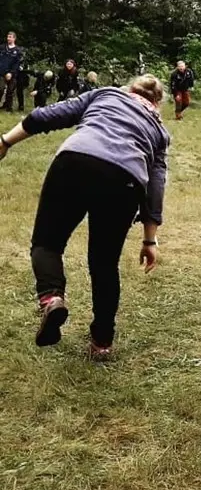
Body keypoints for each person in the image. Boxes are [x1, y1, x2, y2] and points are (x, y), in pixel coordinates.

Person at [0, 75, 169, 360]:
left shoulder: (107, 95)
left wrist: (5, 141)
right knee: (104, 264)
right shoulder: (159, 131)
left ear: (130, 89)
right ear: (157, 104)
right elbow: (155, 187)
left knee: (47, 244)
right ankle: (101, 342)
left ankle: (52, 297)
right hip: (125, 180)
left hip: (75, 161)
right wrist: (149, 240)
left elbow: (46, 116)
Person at [0, 32, 23, 112]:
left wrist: (11, 73)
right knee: (1, 88)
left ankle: (8, 108)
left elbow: (17, 63)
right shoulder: (2, 47)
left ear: (14, 38)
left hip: (12, 74)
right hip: (2, 72)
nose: (8, 38)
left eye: (10, 37)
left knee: (10, 91)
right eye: (7, 37)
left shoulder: (18, 51)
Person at [15, 43, 29, 113]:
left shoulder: (25, 63)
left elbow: (27, 72)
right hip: (14, 77)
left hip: (21, 79)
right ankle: (7, 105)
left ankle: (21, 106)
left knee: (19, 92)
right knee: (9, 91)